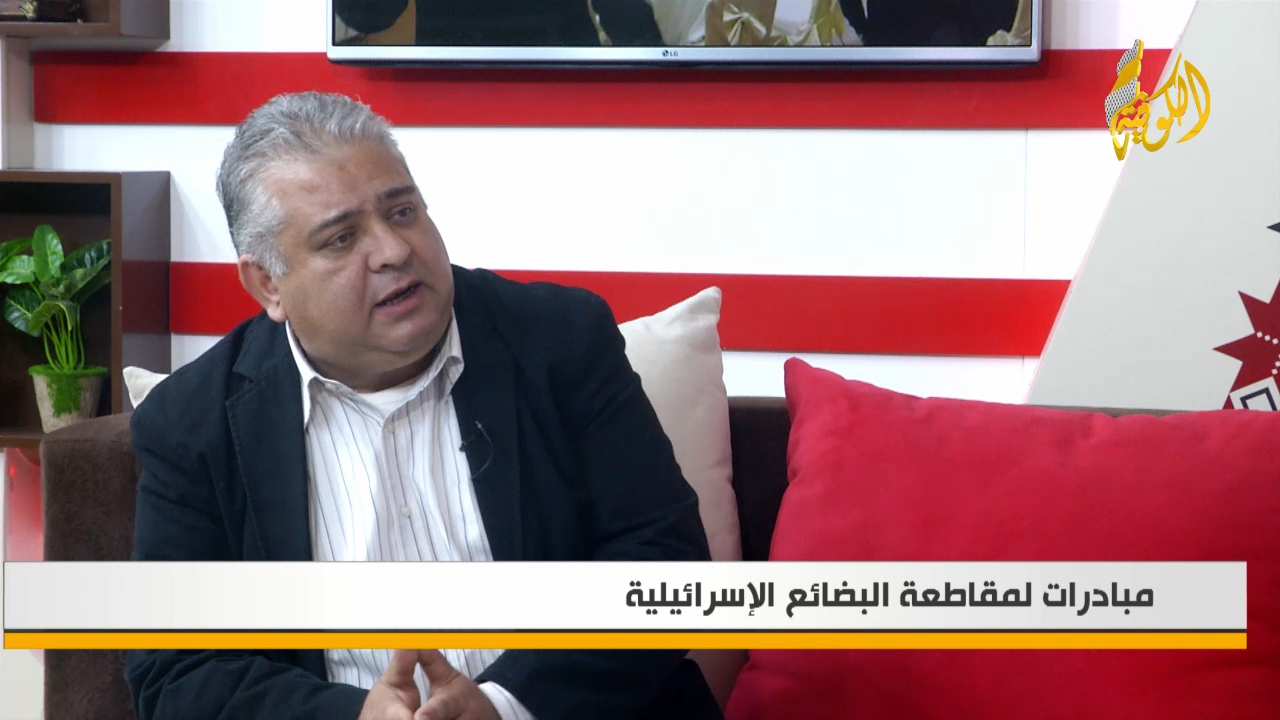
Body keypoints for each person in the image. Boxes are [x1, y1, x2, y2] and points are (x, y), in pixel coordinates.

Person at [123, 91, 723, 720]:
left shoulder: (561, 341)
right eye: (341, 238)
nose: (393, 250)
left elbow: (664, 565)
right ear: (268, 283)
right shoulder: (192, 423)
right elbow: (177, 670)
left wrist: (502, 703)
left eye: (402, 211)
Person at [334, 0, 666, 47]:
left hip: (565, 75)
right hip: (444, 85)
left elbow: (623, 11)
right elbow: (369, 15)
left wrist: (653, 66)